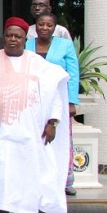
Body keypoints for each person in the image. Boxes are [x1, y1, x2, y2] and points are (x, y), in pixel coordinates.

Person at [0, 18, 71, 213]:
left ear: (25, 39)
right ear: (4, 37)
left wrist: (53, 121)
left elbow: (56, 93)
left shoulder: (39, 65)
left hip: (27, 130)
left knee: (25, 168)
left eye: (18, 37)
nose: (13, 40)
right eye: (10, 36)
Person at [27, 12, 80, 197]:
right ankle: (37, 177)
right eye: (41, 24)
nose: (44, 28)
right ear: (36, 25)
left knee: (62, 138)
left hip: (60, 97)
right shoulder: (27, 44)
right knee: (37, 137)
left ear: (54, 28)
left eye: (49, 25)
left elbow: (73, 73)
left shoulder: (65, 45)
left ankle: (65, 181)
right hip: (33, 100)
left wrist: (72, 101)